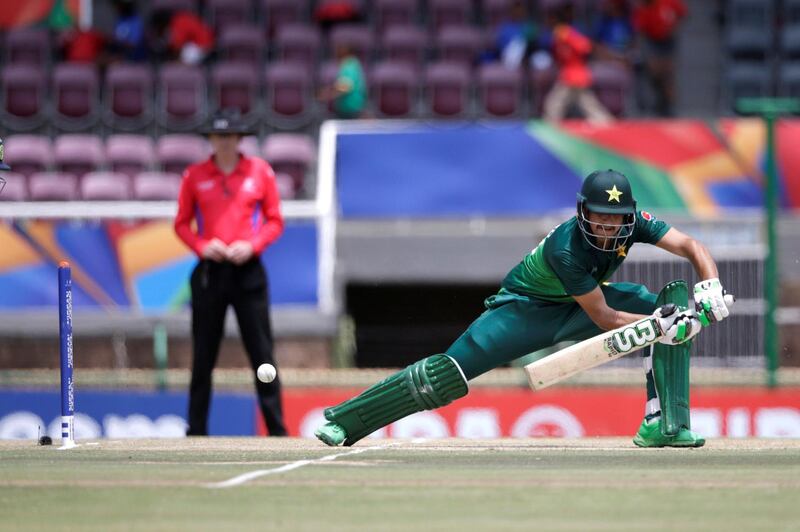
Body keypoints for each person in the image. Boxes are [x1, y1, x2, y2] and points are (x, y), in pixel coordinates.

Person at [315, 169, 731, 448]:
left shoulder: (635, 220)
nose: (606, 228)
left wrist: (708, 285)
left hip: (584, 302)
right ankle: (346, 421)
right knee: (447, 374)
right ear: (582, 211)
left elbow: (691, 246)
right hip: (523, 311)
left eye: (614, 219)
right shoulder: (566, 248)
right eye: (598, 217)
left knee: (665, 306)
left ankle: (663, 425)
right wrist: (665, 325)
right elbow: (604, 317)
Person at [174, 109, 287, 437]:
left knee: (262, 354)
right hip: (210, 272)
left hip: (247, 271)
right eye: (218, 136)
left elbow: (275, 220)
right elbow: (181, 223)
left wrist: (252, 246)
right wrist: (202, 246)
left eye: (230, 136)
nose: (224, 142)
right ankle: (195, 432)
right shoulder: (194, 175)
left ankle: (279, 434)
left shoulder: (259, 171)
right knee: (203, 355)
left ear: (239, 139)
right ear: (210, 139)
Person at [542, 2, 614, 124]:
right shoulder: (558, 35)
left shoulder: (564, 32)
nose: (547, 22)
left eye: (550, 19)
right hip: (572, 74)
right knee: (587, 104)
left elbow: (585, 46)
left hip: (574, 74)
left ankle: (550, 125)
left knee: (554, 104)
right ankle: (606, 123)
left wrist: (568, 40)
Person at [632, 0, 687, 116]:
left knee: (667, 74)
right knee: (655, 72)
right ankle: (660, 101)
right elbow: (640, 29)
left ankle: (669, 106)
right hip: (652, 41)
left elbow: (682, 13)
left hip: (668, 41)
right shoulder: (644, 8)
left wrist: (674, 26)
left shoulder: (669, 2)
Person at [318, 43, 367, 119]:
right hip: (351, 107)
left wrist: (328, 95)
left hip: (350, 107)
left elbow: (345, 88)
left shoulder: (349, 66)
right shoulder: (354, 63)